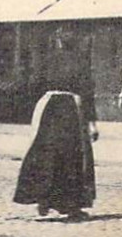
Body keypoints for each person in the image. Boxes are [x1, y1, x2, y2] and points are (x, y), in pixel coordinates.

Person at [14, 89, 97, 221]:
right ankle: (68, 205)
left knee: (48, 154)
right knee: (70, 157)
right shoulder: (80, 70)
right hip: (69, 109)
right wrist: (92, 123)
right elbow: (87, 90)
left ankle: (46, 201)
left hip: (49, 107)